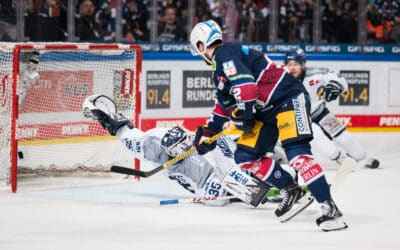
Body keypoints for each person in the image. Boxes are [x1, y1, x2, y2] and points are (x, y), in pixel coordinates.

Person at [189, 20, 347, 231]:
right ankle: (290, 189)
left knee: (297, 154)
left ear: (201, 46)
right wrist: (210, 132)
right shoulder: (220, 71)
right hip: (266, 110)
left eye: (198, 49)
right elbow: (223, 106)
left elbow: (246, 86)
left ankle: (329, 207)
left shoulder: (224, 53)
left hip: (289, 99)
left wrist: (244, 115)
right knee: (245, 157)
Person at [82, 94, 287, 207]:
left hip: (220, 161)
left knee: (239, 149)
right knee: (222, 194)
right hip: (207, 181)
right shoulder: (152, 148)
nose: (187, 143)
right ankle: (267, 183)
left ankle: (278, 172)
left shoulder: (177, 139)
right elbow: (127, 136)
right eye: (183, 145)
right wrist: (105, 117)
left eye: (186, 141)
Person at [284, 48, 379, 170]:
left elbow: (336, 77)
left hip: (317, 111)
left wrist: (334, 85)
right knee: (316, 136)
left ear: (303, 64)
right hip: (297, 117)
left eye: (296, 64)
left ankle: (360, 158)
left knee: (344, 137)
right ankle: (341, 159)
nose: (292, 68)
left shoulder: (315, 73)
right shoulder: (280, 76)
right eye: (289, 64)